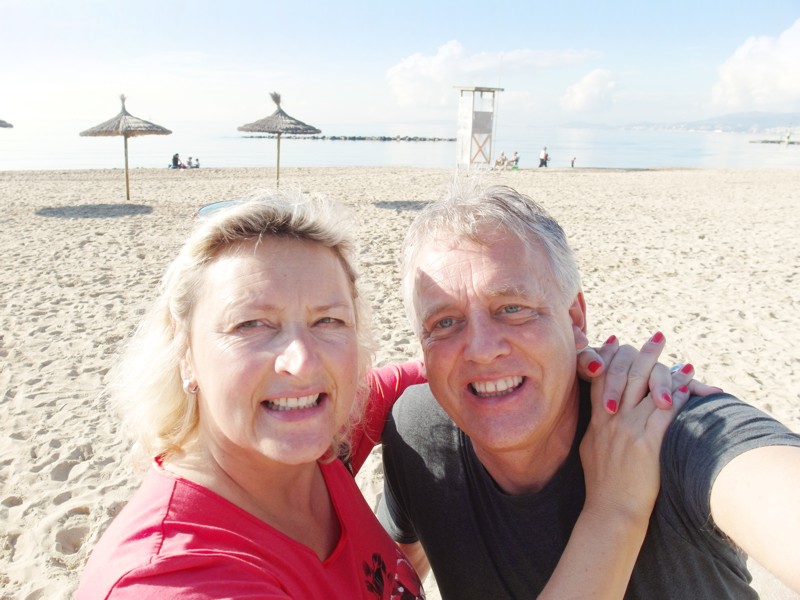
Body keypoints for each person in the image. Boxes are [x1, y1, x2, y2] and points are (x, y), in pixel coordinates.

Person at [78, 191, 696, 599]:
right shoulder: (176, 576)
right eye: (251, 325)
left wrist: (594, 363)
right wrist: (615, 509)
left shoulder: (318, 439)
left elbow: (453, 367)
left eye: (328, 321)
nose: (301, 362)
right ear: (186, 354)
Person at [378, 184, 800, 599]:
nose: (483, 350)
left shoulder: (667, 428)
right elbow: (388, 571)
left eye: (512, 308)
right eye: (445, 322)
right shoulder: (418, 433)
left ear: (575, 318)